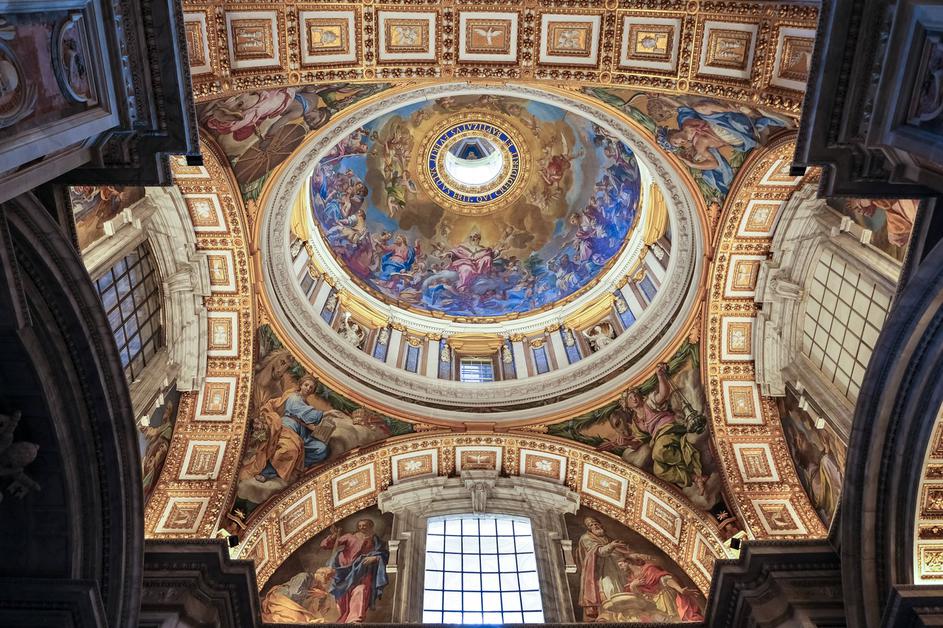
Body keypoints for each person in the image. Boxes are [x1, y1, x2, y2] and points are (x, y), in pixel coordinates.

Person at [618, 363, 707, 493]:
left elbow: (663, 394)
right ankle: (695, 478)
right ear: (627, 405)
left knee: (658, 452)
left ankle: (688, 465)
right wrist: (627, 443)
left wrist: (660, 376)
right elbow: (639, 442)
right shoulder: (636, 422)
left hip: (669, 429)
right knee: (659, 471)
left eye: (635, 395)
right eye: (630, 398)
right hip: (659, 439)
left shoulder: (649, 403)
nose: (634, 398)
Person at [243, 375, 330, 484]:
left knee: (321, 449)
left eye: (311, 387)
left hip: (301, 434)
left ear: (313, 391)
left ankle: (293, 466)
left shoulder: (305, 403)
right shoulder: (294, 397)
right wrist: (324, 414)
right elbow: (308, 414)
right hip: (288, 428)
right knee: (289, 449)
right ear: (301, 385)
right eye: (306, 385)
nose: (308, 388)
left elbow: (304, 418)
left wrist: (310, 427)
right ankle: (267, 472)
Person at [321, 518, 390, 622]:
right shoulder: (350, 537)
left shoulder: (376, 540)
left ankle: (354, 619)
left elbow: (383, 554)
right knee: (341, 597)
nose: (362, 527)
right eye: (360, 525)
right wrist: (334, 536)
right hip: (344, 571)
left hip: (363, 570)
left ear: (371, 526)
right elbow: (326, 545)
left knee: (361, 590)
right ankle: (342, 618)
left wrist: (375, 558)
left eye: (365, 525)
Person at [576, 516, 634, 620]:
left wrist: (626, 551)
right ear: (589, 529)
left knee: (619, 590)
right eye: (591, 525)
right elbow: (600, 552)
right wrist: (612, 546)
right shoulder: (586, 538)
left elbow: (618, 553)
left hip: (614, 569)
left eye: (596, 523)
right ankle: (609, 617)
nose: (595, 526)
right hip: (599, 573)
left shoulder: (606, 538)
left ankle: (621, 617)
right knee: (608, 591)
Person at [616, 554, 705, 621]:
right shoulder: (631, 579)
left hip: (665, 599)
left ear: (627, 562)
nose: (621, 568)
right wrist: (633, 586)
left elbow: (665, 579)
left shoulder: (648, 569)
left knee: (672, 616)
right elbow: (638, 597)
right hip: (651, 604)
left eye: (621, 565)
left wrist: (680, 590)